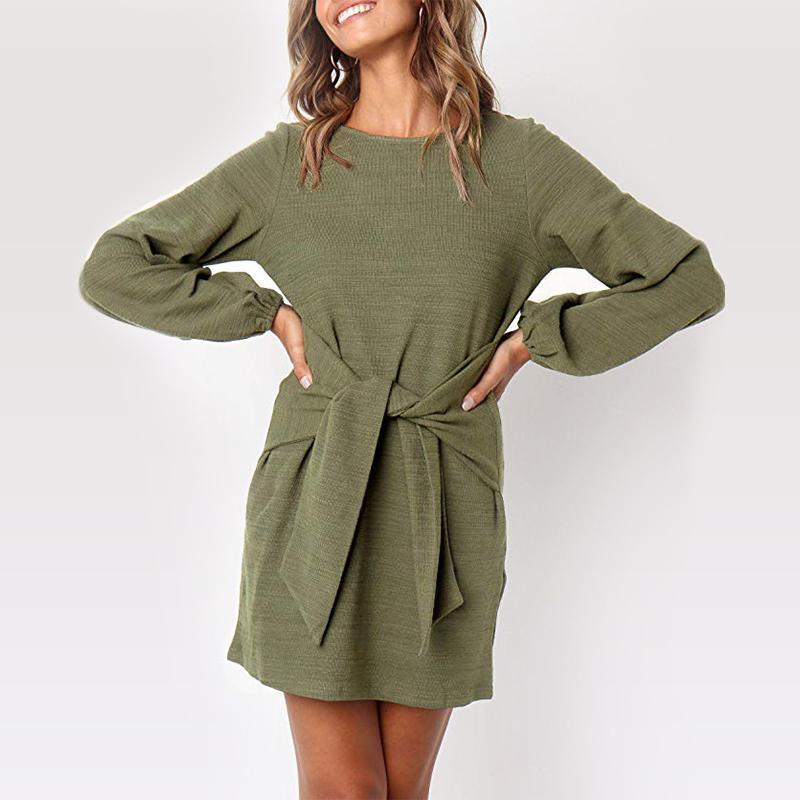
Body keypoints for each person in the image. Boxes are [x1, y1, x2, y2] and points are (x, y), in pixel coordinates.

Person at [78, 0, 726, 797]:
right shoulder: (293, 163)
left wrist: (537, 339)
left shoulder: (519, 162)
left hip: (443, 508)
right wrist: (265, 313)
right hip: (317, 499)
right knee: (347, 792)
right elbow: (116, 266)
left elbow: (684, 278)